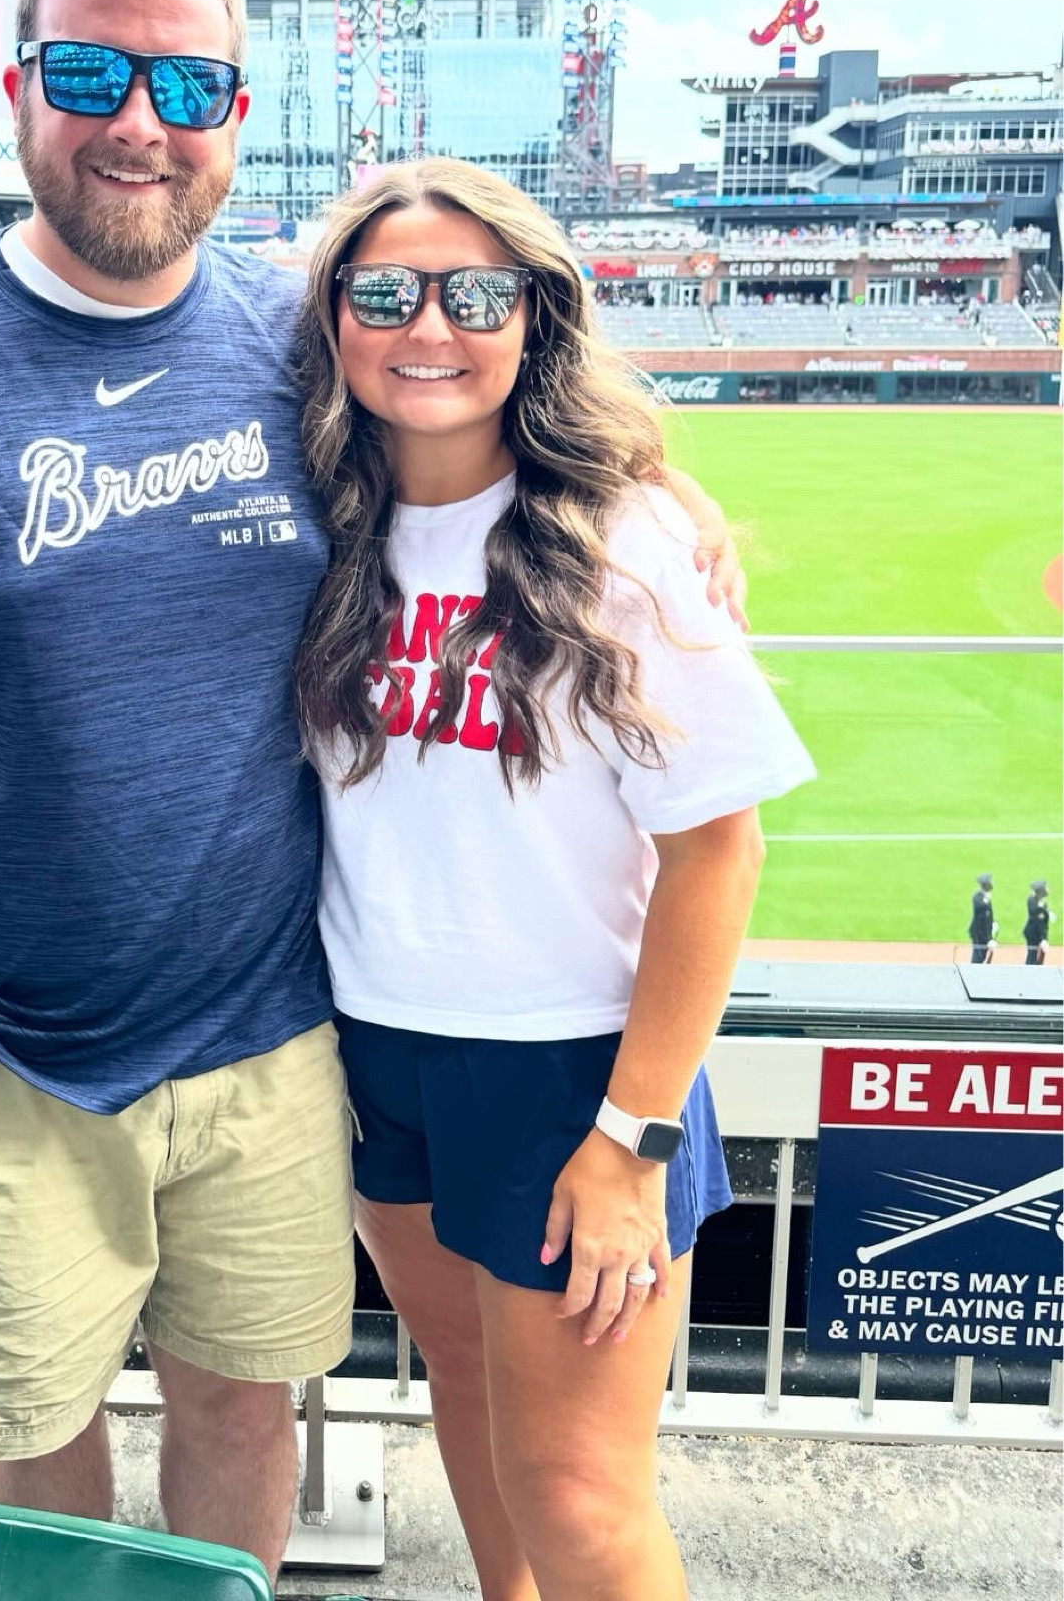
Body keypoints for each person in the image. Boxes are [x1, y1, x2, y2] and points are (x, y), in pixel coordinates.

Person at [0, 0, 744, 1572]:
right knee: (36, 1449)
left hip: (268, 1037)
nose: (138, 121)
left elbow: (490, 415)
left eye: (186, 86)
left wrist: (641, 478)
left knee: (245, 1411)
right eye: (94, 72)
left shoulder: (300, 343)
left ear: (235, 116)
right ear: (18, 85)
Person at [293, 160, 814, 1601]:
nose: (430, 327)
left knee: (580, 1492)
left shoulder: (619, 547)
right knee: (461, 1393)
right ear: (335, 317)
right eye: (386, 293)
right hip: (379, 1047)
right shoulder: (317, 527)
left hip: (573, 1073)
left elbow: (718, 846)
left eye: (476, 294)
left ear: (534, 317)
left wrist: (630, 1138)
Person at [969, 873, 996, 964]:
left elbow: (988, 920)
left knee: (982, 956)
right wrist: (988, 939)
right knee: (978, 958)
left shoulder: (986, 897)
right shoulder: (979, 898)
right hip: (978, 935)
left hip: (983, 934)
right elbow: (982, 922)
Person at [1024, 880, 1051, 966]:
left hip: (1039, 934)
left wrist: (1044, 938)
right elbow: (1036, 917)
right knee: (1032, 956)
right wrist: (1042, 938)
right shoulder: (1032, 901)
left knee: (1040, 958)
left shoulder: (1043, 903)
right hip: (1033, 934)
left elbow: (1044, 924)